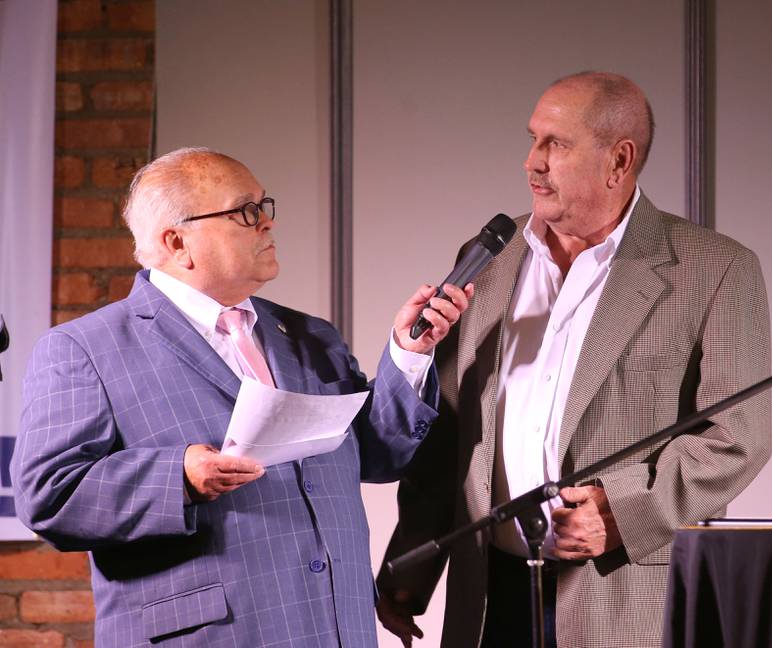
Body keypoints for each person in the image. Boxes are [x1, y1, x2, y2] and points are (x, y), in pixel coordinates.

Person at [11, 147, 472, 647]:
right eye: (245, 213)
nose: (267, 225)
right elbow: (50, 495)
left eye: (264, 207)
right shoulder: (85, 350)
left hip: (334, 631)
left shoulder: (309, 336)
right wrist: (179, 477)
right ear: (177, 242)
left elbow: (379, 455)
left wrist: (408, 353)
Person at [376, 71, 771, 648]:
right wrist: (409, 570)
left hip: (623, 598)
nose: (532, 162)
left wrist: (622, 511)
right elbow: (454, 436)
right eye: (533, 140)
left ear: (619, 159)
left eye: (555, 145)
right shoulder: (491, 255)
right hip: (492, 594)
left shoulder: (715, 270)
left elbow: (738, 437)